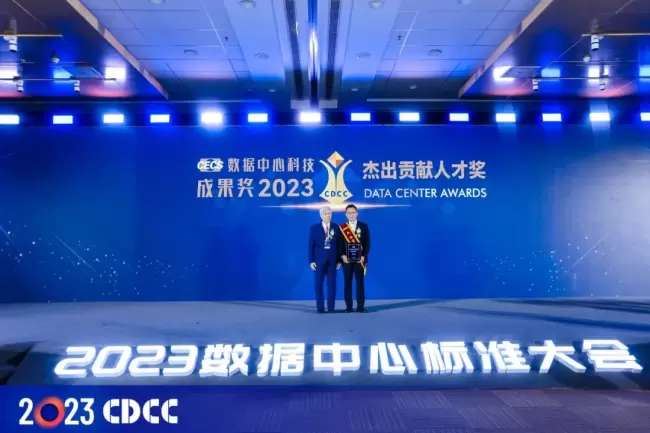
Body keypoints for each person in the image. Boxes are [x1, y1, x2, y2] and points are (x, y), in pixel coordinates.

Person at [308, 206, 341, 313]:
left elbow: (340, 245)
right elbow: (310, 246)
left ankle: (331, 307)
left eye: (329, 213)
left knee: (332, 285)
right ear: (321, 215)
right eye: (325, 213)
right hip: (319, 261)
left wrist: (339, 260)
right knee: (318, 284)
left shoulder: (336, 227)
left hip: (333, 261)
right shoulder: (314, 228)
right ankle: (320, 307)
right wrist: (311, 261)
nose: (328, 215)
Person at [338, 204, 370, 313]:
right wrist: (342, 256)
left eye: (353, 212)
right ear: (346, 214)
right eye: (349, 213)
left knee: (360, 283)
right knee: (347, 282)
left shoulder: (364, 226)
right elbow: (339, 245)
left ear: (357, 213)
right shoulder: (342, 228)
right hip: (347, 260)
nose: (351, 215)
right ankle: (349, 307)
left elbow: (367, 243)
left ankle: (360, 307)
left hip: (359, 260)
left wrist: (363, 256)